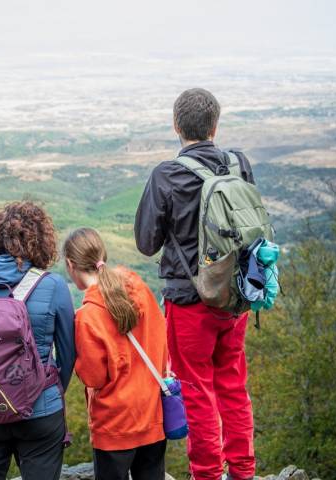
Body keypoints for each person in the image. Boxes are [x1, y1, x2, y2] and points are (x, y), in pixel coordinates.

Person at [134, 88, 256, 480]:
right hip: (235, 298)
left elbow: (146, 242)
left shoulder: (167, 174)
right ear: (215, 126)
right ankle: (243, 471)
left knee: (196, 390)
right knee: (233, 385)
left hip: (189, 302)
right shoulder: (238, 164)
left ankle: (206, 474)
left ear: (176, 126)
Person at [0, 201, 75, 480]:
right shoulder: (52, 285)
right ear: (41, 240)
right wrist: (48, 389)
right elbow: (68, 353)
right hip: (40, 411)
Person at [63, 227, 169, 480]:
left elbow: (94, 377)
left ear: (70, 264)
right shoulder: (137, 286)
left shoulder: (87, 316)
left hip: (115, 425)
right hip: (153, 412)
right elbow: (161, 338)